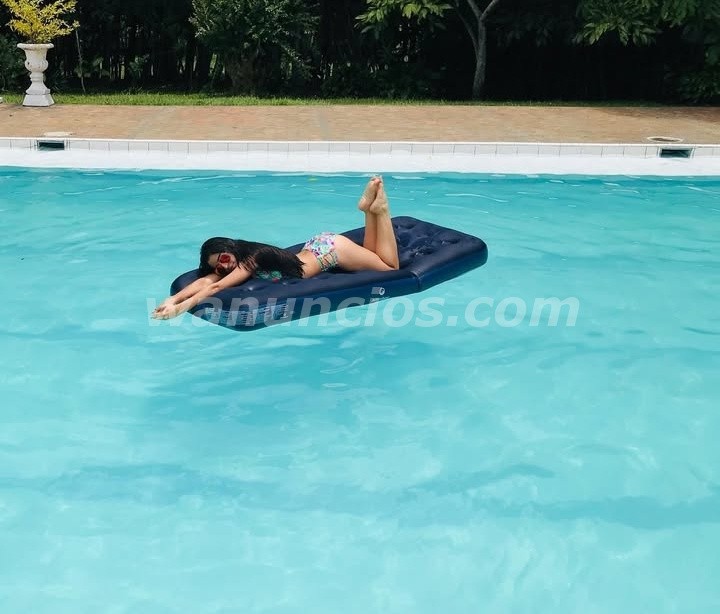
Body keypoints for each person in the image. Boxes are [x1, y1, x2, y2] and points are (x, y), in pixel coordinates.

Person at [152, 175, 399, 319]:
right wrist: (172, 299)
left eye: (224, 259)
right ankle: (368, 210)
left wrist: (180, 310)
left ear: (231, 249)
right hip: (319, 247)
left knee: (390, 268)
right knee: (373, 258)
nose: (224, 267)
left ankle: (382, 209)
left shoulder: (251, 258)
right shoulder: (234, 262)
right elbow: (207, 281)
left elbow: (215, 287)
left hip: (331, 251)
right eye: (219, 266)